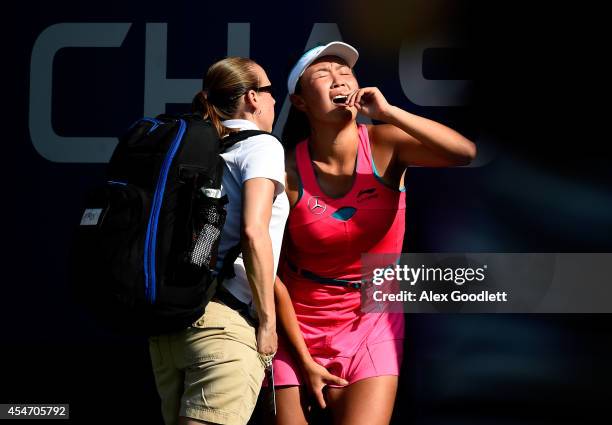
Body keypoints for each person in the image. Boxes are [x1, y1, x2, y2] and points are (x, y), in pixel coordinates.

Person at [272, 42, 476, 425]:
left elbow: (464, 152)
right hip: (297, 325)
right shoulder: (285, 170)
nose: (339, 80)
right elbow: (270, 271)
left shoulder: (386, 142)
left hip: (374, 317)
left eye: (345, 73)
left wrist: (390, 113)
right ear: (300, 103)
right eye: (322, 75)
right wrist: (301, 356)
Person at [148, 56, 289, 425]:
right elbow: (254, 232)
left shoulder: (203, 148)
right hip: (223, 329)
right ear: (254, 99)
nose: (276, 101)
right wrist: (267, 325)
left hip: (170, 331)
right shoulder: (263, 147)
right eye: (271, 91)